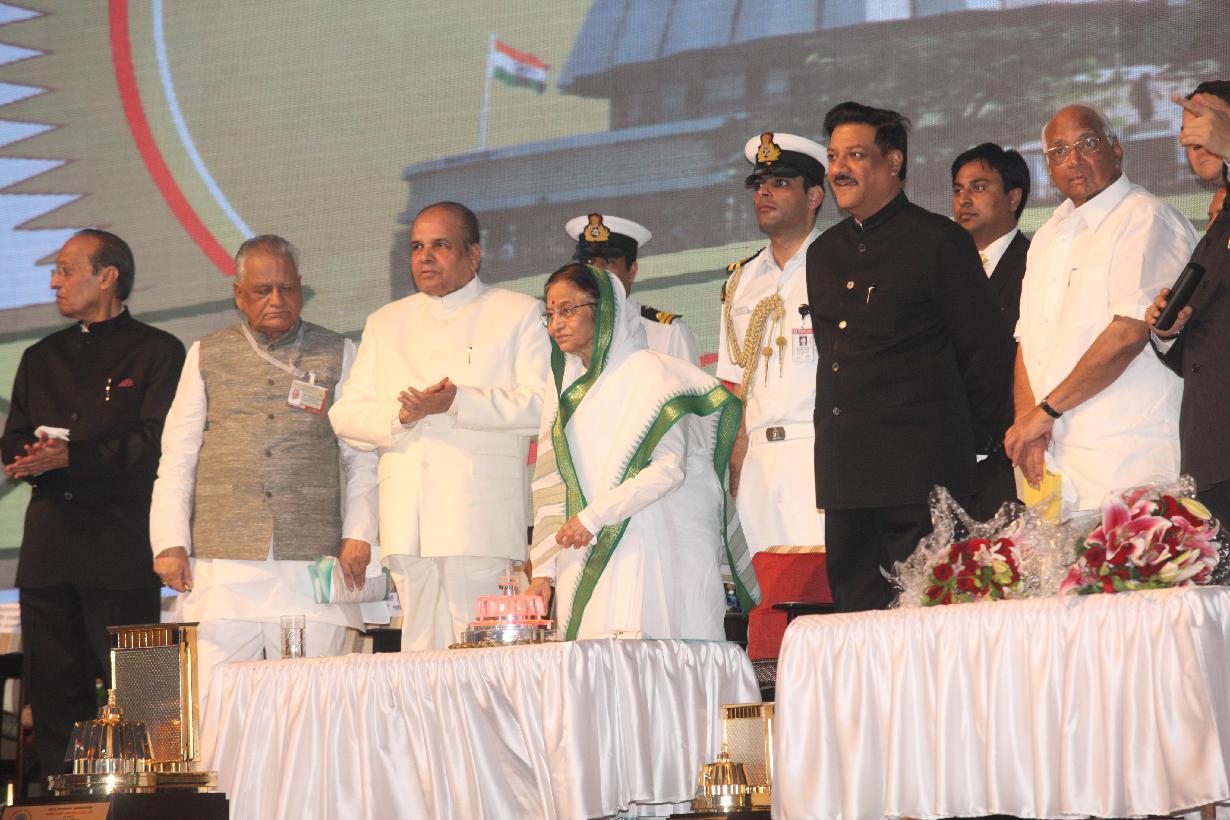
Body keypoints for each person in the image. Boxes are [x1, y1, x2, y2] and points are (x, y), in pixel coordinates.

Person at [149, 235, 378, 703]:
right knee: (215, 705)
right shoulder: (206, 353)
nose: (277, 299)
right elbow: (178, 455)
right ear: (238, 295)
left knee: (309, 706)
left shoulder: (338, 351)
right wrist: (170, 541)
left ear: (301, 289)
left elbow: (362, 457)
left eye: (287, 288)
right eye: (262, 290)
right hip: (223, 567)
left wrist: (360, 532)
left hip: (309, 563)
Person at [807, 102, 1013, 612]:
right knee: (855, 626)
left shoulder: (939, 241)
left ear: (893, 161)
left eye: (855, 155)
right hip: (845, 477)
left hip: (922, 478)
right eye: (833, 157)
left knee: (930, 624)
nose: (838, 169)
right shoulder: (823, 253)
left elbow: (984, 352)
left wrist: (971, 448)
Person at [1, 229, 185, 776]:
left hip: (122, 548)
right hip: (49, 550)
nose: (53, 282)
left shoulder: (158, 351)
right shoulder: (41, 356)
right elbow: (14, 439)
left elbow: (156, 444)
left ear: (107, 277)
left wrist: (72, 457)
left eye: (65, 269)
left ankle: (149, 798)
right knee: (54, 696)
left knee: (142, 695)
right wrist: (29, 455)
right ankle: (66, 801)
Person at [329, 202, 550, 651]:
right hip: (406, 520)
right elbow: (345, 416)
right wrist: (401, 416)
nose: (425, 256)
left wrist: (458, 402)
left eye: (440, 245)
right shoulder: (385, 322)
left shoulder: (517, 312)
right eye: (417, 247)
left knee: (483, 656)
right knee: (419, 658)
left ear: (474, 254)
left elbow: (542, 405)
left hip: (479, 518)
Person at [527, 264, 744, 640]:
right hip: (586, 547)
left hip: (653, 545)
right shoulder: (566, 388)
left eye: (567, 310)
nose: (555, 325)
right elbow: (552, 481)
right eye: (550, 314)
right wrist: (544, 572)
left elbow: (668, 470)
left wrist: (594, 518)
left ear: (604, 310)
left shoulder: (652, 374)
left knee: (654, 658)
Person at [1007, 103, 1197, 514]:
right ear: (1049, 168)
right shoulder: (1047, 236)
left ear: (1116, 149)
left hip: (1126, 463)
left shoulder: (1146, 218)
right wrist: (1028, 425)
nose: (1073, 159)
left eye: (1087, 144)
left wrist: (1046, 411)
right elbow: (1028, 341)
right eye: (1059, 151)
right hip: (1053, 469)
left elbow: (1128, 333)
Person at [717, 131, 828, 655]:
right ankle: (766, 702)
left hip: (818, 451)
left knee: (819, 599)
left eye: (780, 183)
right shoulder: (741, 281)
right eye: (759, 184)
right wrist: (734, 468)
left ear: (814, 195)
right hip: (760, 461)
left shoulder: (838, 262)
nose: (764, 193)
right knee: (761, 604)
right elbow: (733, 388)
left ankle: (826, 703)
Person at [1146, 83, 1230, 524]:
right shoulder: (1216, 229)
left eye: (1206, 124)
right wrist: (1167, 332)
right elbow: (1200, 356)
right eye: (1186, 130)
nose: (1193, 139)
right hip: (1210, 453)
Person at [950, 142, 1032, 519]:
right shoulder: (945, 269)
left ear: (1013, 197)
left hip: (1012, 455)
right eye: (958, 189)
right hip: (953, 456)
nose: (964, 199)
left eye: (979, 187)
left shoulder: (1035, 263)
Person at [564, 213, 699, 364]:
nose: (596, 272)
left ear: (631, 271)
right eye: (588, 262)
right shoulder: (566, 334)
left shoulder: (668, 333)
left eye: (608, 261)